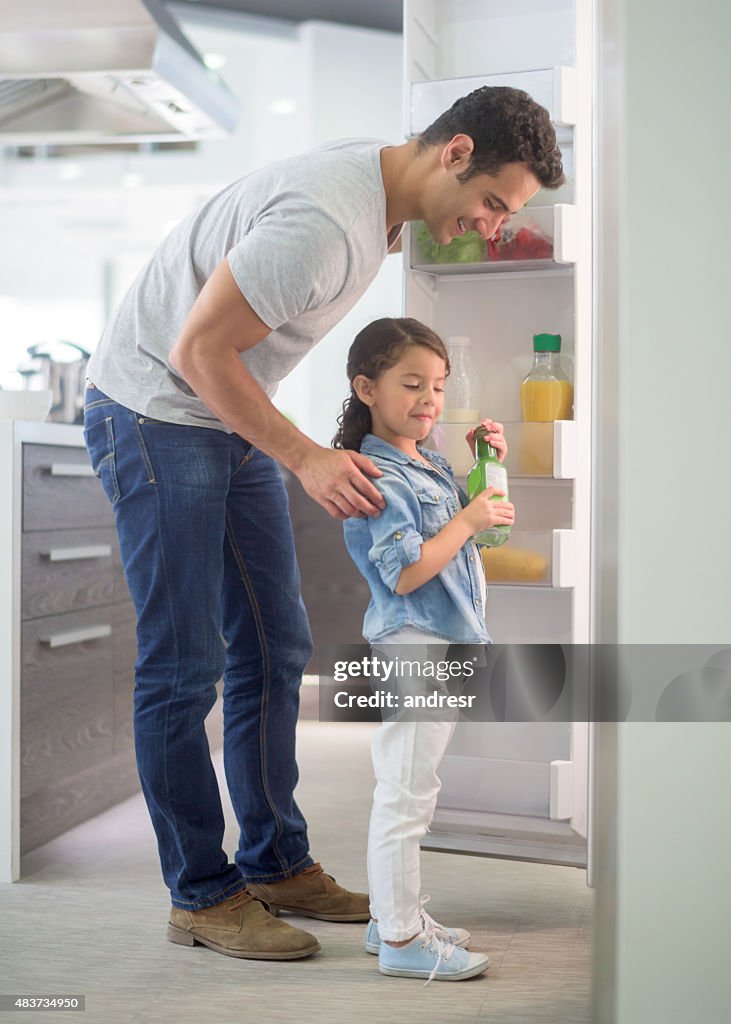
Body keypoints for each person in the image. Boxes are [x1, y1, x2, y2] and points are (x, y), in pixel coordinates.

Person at [82, 86, 563, 962]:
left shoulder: (383, 200)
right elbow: (196, 351)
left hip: (221, 415)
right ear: (454, 154)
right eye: (495, 202)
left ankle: (274, 863)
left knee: (275, 649)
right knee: (185, 666)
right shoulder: (327, 222)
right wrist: (305, 455)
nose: (495, 226)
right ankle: (201, 893)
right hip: (155, 410)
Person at [335, 317, 515, 982]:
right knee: (405, 794)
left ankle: (391, 921)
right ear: (366, 388)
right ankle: (404, 942)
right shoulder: (375, 475)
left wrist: (483, 465)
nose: (428, 399)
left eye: (437, 386)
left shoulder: (426, 462)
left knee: (413, 787)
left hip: (443, 640)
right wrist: (468, 519)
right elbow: (405, 572)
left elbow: (467, 534)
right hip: (415, 645)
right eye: (411, 384)